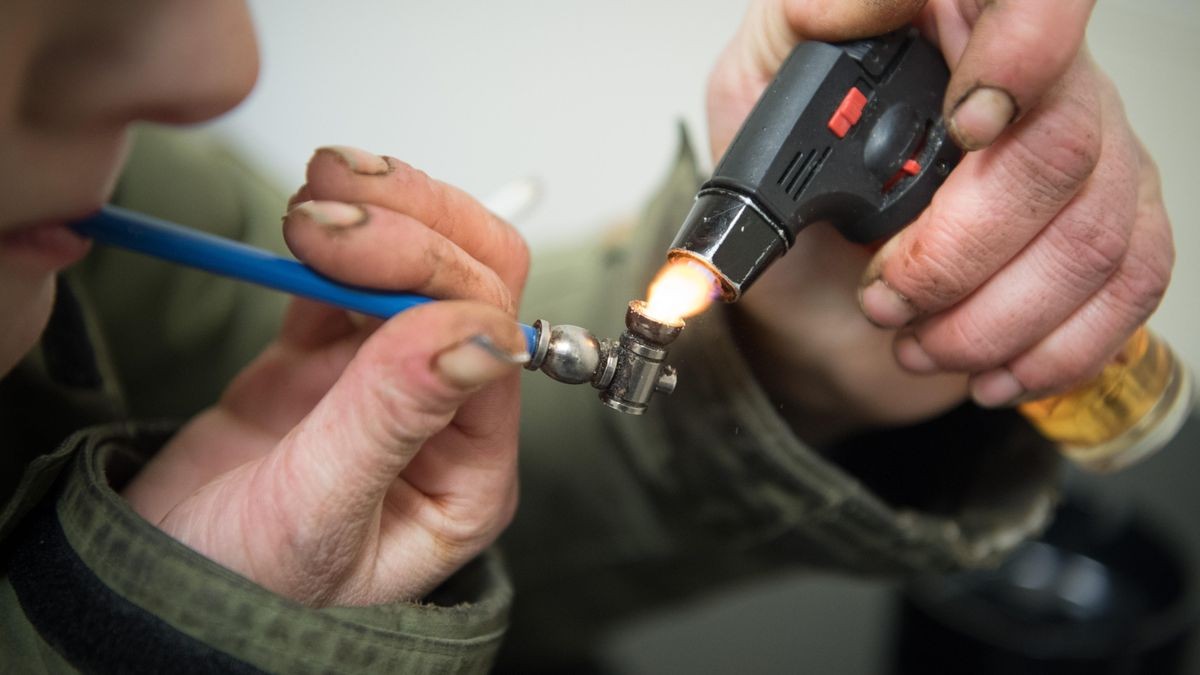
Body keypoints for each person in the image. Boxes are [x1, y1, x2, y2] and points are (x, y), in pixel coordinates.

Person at [0, 0, 1174, 672]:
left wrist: (782, 367)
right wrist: (141, 644)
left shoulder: (95, 238)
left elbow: (247, 365)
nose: (218, 67)